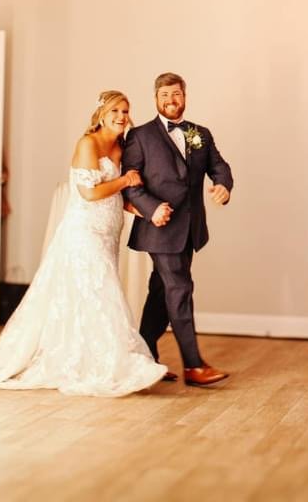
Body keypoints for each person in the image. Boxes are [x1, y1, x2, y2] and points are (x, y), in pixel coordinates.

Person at [0, 91, 166, 395]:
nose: (121, 116)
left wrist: (143, 209)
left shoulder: (122, 145)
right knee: (100, 291)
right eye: (115, 110)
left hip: (109, 231)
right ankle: (112, 362)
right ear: (102, 114)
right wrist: (125, 180)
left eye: (125, 111)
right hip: (84, 230)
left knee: (88, 293)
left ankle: (89, 357)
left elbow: (120, 194)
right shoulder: (87, 143)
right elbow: (89, 192)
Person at [123, 73, 234, 387]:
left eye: (176, 94)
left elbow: (219, 166)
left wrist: (223, 185)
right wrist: (152, 208)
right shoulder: (140, 136)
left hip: (190, 229)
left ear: (184, 96)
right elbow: (130, 183)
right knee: (180, 289)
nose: (171, 100)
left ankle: (144, 358)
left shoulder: (200, 133)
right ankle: (194, 366)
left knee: (161, 291)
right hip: (159, 229)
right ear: (155, 99)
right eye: (164, 95)